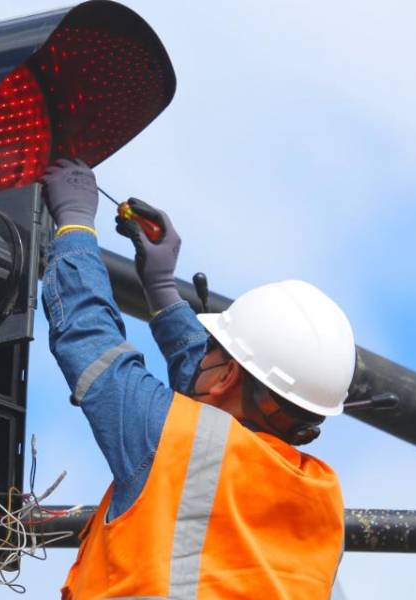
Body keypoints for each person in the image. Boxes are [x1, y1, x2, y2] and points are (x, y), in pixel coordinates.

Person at [40, 158, 356, 600]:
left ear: (227, 373)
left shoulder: (174, 442)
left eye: (214, 348)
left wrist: (74, 224)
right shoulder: (321, 503)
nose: (202, 354)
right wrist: (162, 288)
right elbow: (219, 393)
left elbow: (90, 341)